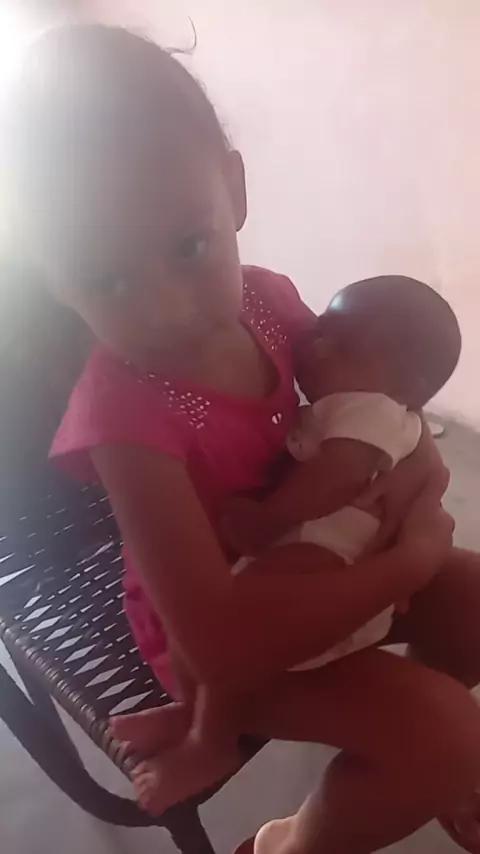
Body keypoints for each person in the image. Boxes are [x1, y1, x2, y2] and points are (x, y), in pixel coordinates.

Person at [7, 23, 480, 854]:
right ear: (54, 277)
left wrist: (416, 476)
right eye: (107, 278)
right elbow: (219, 643)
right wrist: (402, 565)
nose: (166, 310)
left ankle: (418, 767)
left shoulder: (267, 301)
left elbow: (371, 405)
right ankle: (294, 842)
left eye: (189, 247)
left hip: (319, 549)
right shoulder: (126, 426)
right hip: (220, 651)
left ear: (234, 188)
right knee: (442, 729)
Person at [126, 274, 462, 814]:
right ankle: (200, 722)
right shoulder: (370, 402)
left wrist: (268, 520)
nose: (317, 346)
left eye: (343, 347)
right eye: (322, 330)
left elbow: (338, 476)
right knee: (225, 629)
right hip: (314, 561)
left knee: (245, 618)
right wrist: (411, 557)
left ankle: (211, 738)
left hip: (322, 547)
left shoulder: (367, 408)